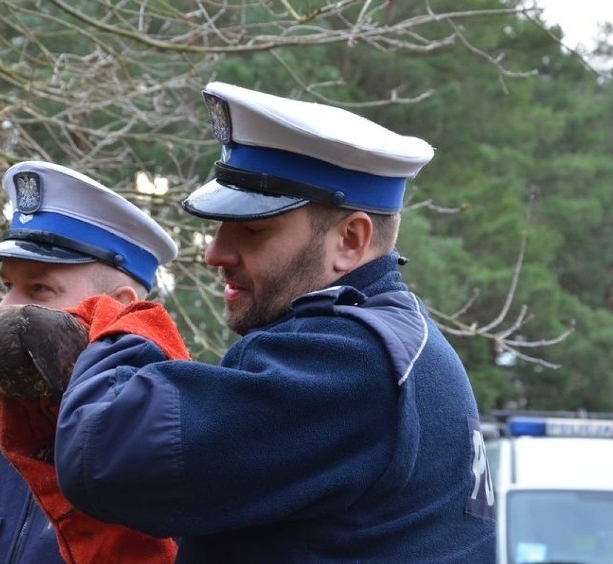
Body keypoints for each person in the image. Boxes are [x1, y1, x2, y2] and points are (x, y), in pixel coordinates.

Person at [53, 82, 497, 561]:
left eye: (253, 229)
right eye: (220, 228)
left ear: (350, 239)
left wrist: (118, 327)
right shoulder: (398, 345)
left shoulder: (349, 358)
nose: (214, 253)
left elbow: (102, 455)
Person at [0, 161, 179, 563]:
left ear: (119, 308)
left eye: (39, 289)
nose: (6, 307)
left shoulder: (187, 446)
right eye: (6, 286)